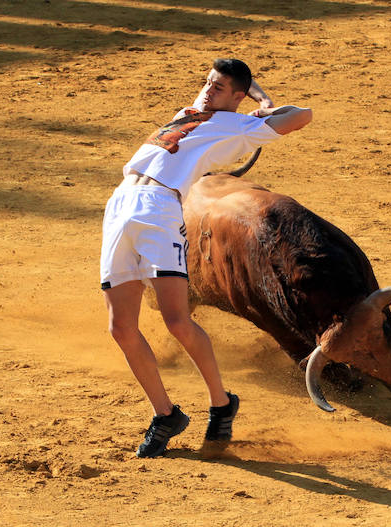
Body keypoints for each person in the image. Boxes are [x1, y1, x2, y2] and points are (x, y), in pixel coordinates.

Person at [100, 58, 312, 458]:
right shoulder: (191, 114)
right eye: (208, 83)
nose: (207, 90)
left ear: (236, 97)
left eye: (218, 88)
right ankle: (165, 414)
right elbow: (221, 92)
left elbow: (303, 115)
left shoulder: (239, 126)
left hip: (159, 208)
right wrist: (245, 94)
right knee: (120, 327)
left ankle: (221, 402)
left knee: (177, 321)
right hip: (120, 204)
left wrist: (264, 107)